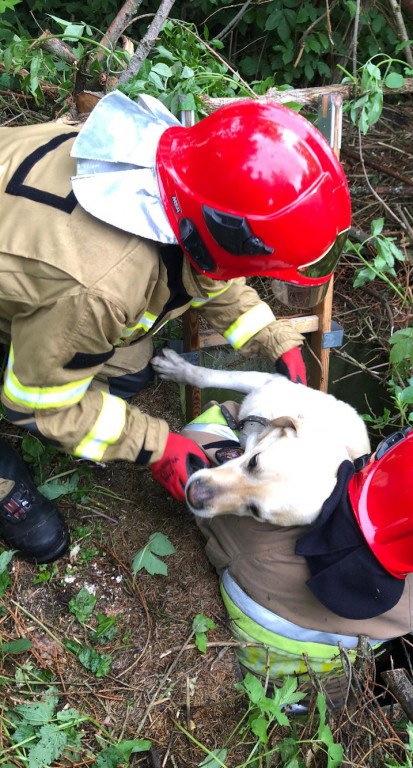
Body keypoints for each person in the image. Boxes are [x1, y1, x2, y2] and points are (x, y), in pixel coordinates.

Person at [0, 91, 351, 563]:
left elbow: (205, 268)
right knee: (48, 396)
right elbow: (36, 402)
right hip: (57, 276)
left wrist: (273, 339)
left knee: (128, 371)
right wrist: (156, 445)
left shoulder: (172, 172)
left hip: (28, 244)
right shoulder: (101, 291)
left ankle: (34, 331)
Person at [180, 405, 413, 709]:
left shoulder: (259, 535)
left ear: (376, 462)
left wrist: (266, 436)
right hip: (324, 698)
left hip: (250, 678)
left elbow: (200, 435)